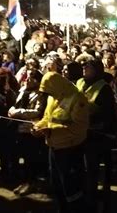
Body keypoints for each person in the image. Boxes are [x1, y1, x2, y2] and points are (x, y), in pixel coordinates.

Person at [32, 71, 89, 212]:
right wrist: (38, 126)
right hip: (54, 147)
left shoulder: (77, 99)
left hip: (70, 149)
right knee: (56, 184)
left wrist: (51, 130)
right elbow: (48, 117)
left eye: (48, 90)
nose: (47, 94)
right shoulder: (53, 97)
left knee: (71, 187)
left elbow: (79, 128)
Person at [76, 60, 117, 211]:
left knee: (92, 167)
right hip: (80, 131)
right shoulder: (80, 82)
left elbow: (107, 113)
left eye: (88, 67)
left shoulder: (103, 87)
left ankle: (93, 199)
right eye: (84, 66)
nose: (84, 68)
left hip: (96, 135)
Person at [7, 69, 46, 196]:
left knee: (31, 157)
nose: (28, 80)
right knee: (23, 156)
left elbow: (37, 111)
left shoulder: (41, 94)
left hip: (30, 129)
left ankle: (31, 182)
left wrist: (17, 112)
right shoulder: (23, 90)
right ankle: (25, 181)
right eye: (27, 77)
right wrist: (12, 109)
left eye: (32, 78)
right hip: (18, 128)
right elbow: (15, 104)